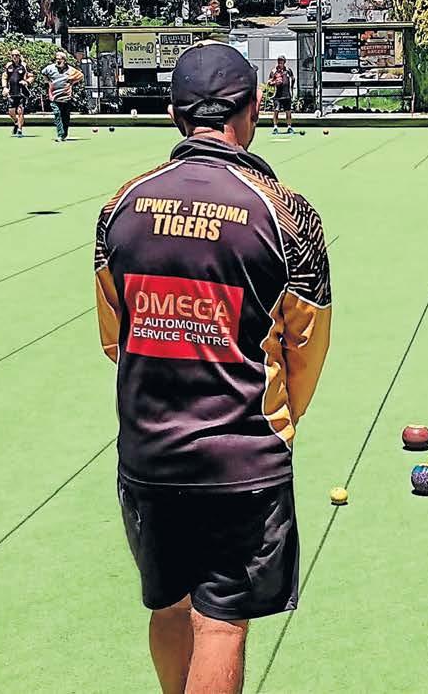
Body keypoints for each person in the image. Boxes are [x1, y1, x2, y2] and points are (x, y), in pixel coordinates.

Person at [94, 44, 331, 694]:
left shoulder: (119, 207)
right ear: (251, 109)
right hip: (243, 461)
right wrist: (274, 424)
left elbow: (116, 340)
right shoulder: (288, 214)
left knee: (169, 606)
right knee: (221, 625)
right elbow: (306, 349)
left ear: (174, 115)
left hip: (148, 454)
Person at [42, 51, 82, 142]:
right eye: (57, 59)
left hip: (66, 97)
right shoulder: (50, 68)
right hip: (54, 96)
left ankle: (64, 134)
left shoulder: (70, 70)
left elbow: (80, 75)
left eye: (60, 59)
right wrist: (48, 82)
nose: (58, 61)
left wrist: (72, 81)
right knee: (57, 114)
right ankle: (60, 134)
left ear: (65, 60)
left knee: (65, 117)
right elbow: (43, 73)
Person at [2, 48, 34, 137]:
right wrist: (4, 87)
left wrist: (27, 82)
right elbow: (4, 77)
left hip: (21, 93)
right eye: (13, 55)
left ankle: (20, 130)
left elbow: (31, 76)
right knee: (11, 112)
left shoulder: (24, 65)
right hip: (11, 93)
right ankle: (16, 122)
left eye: (16, 55)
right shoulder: (8, 66)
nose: (15, 57)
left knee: (20, 111)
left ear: (19, 56)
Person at [267, 55, 295, 135]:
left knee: (288, 111)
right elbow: (269, 82)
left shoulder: (288, 70)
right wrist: (275, 82)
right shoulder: (274, 71)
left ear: (284, 62)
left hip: (286, 94)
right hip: (277, 95)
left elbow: (293, 79)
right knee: (276, 111)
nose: (280, 62)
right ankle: (275, 127)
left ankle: (289, 127)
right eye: (279, 60)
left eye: (281, 60)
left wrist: (291, 88)